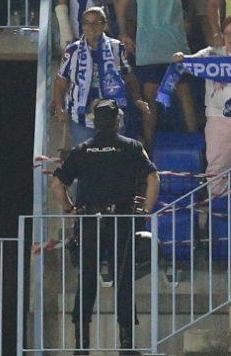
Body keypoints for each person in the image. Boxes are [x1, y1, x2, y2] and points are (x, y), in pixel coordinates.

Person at [53, 100, 156, 354]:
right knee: (123, 280)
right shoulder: (132, 147)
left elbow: (57, 184)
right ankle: (126, 343)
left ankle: (81, 344)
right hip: (121, 220)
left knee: (87, 279)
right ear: (117, 121)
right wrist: (145, 210)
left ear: (95, 122)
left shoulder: (82, 149)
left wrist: (70, 209)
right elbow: (154, 178)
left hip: (91, 221)